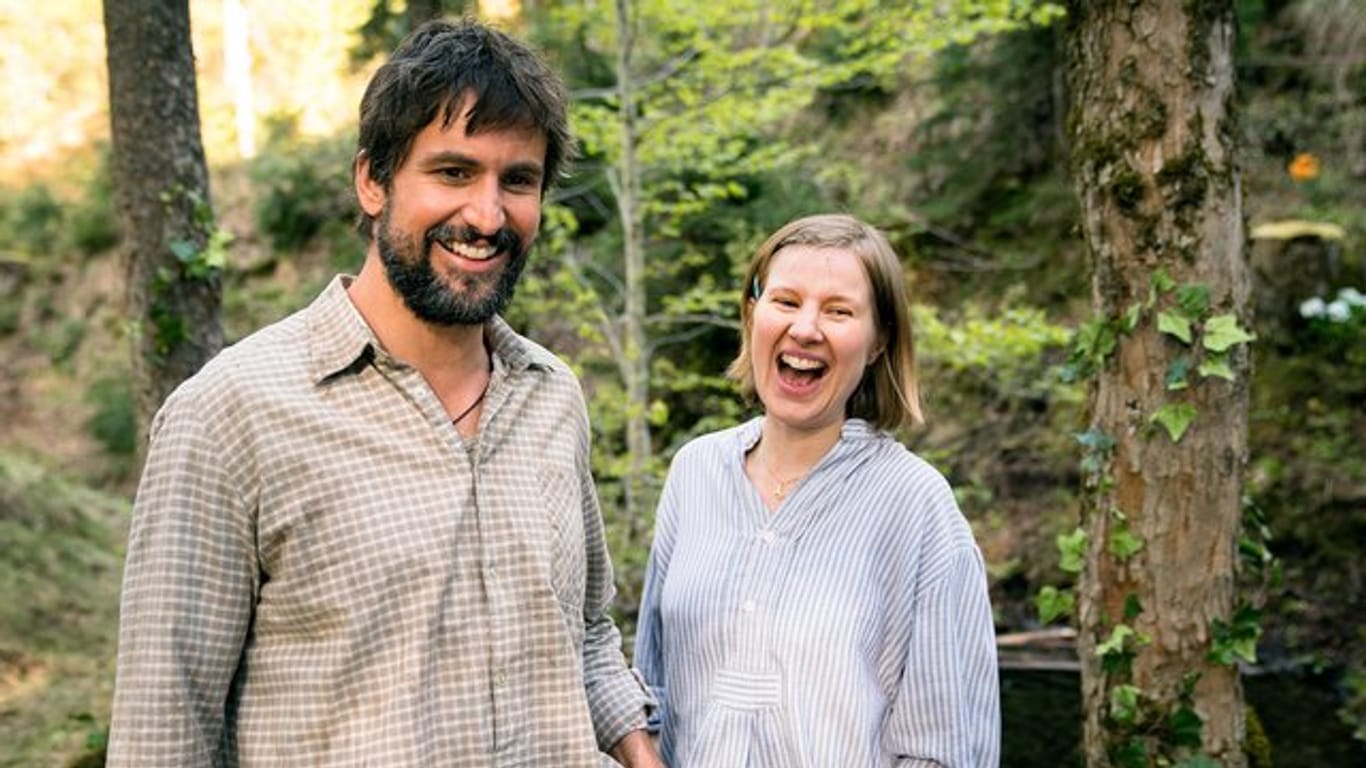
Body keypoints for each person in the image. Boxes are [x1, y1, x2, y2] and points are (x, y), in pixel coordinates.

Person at [107, 18, 662, 768]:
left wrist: (639, 750)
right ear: (373, 181)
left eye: (518, 180)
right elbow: (162, 731)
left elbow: (589, 631)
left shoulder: (552, 397)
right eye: (454, 172)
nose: (488, 216)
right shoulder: (230, 415)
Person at [634, 213, 1000, 767]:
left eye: (838, 311)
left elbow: (947, 749)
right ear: (752, 313)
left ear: (878, 342)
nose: (805, 329)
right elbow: (653, 695)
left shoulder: (916, 505)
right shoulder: (695, 472)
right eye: (785, 301)